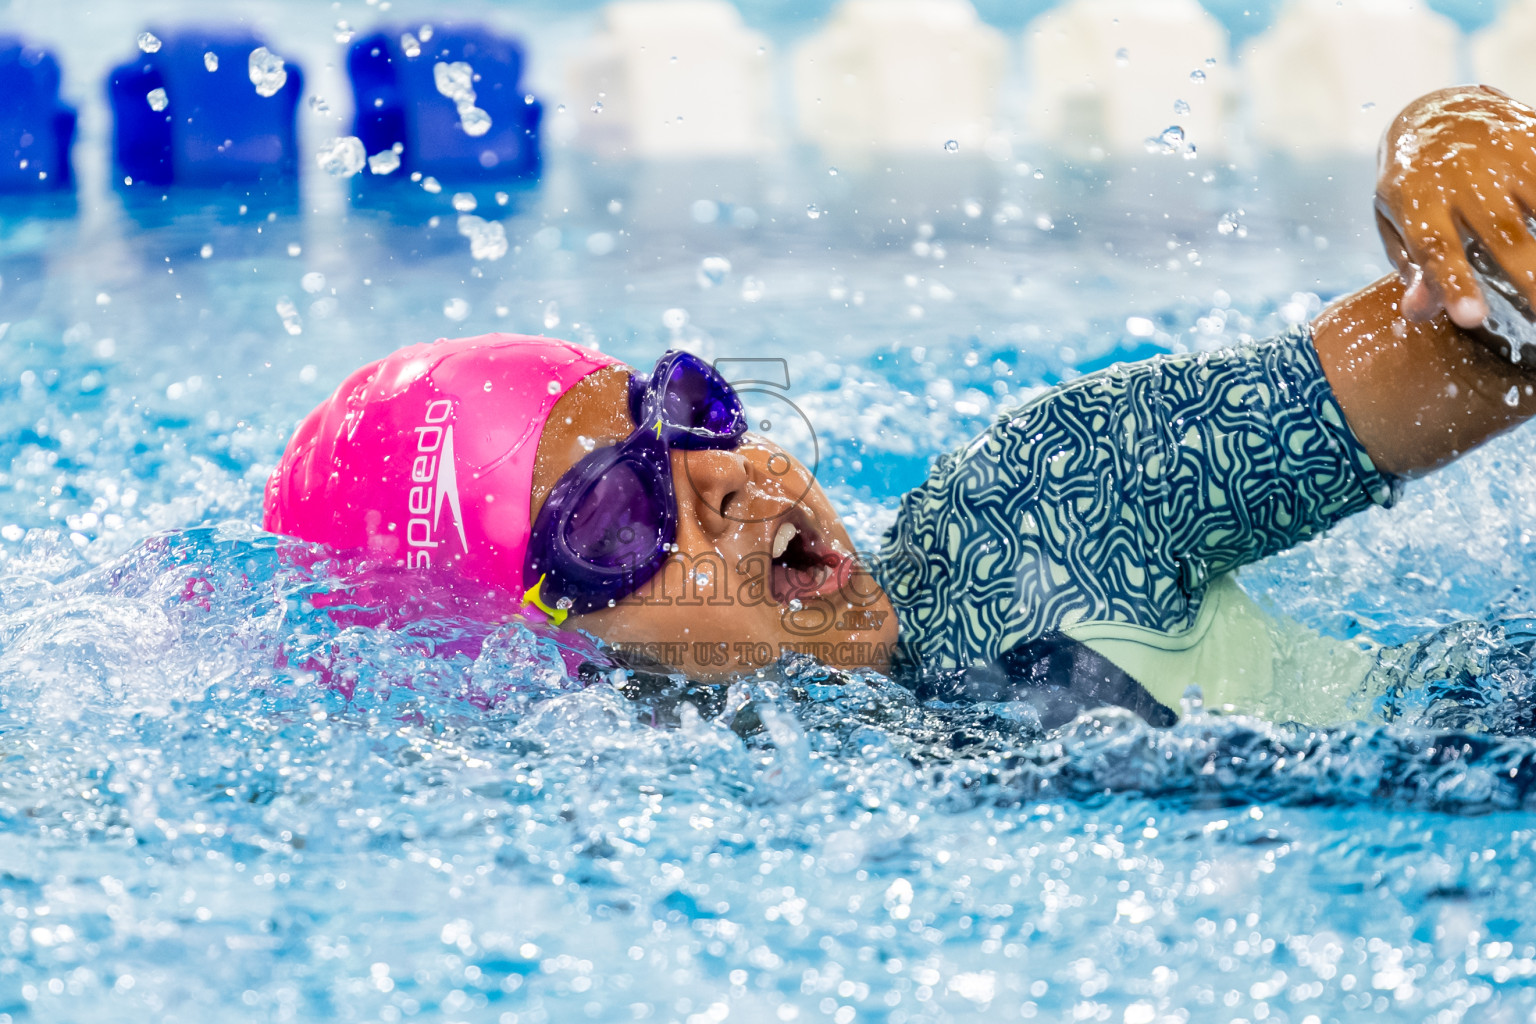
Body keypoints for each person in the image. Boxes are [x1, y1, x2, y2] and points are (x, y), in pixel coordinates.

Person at [265, 86, 1536, 725]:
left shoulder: (1041, 512)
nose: (723, 475)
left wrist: (1457, 142)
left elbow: (1497, 338)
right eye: (614, 516)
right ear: (537, 659)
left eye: (685, 413)